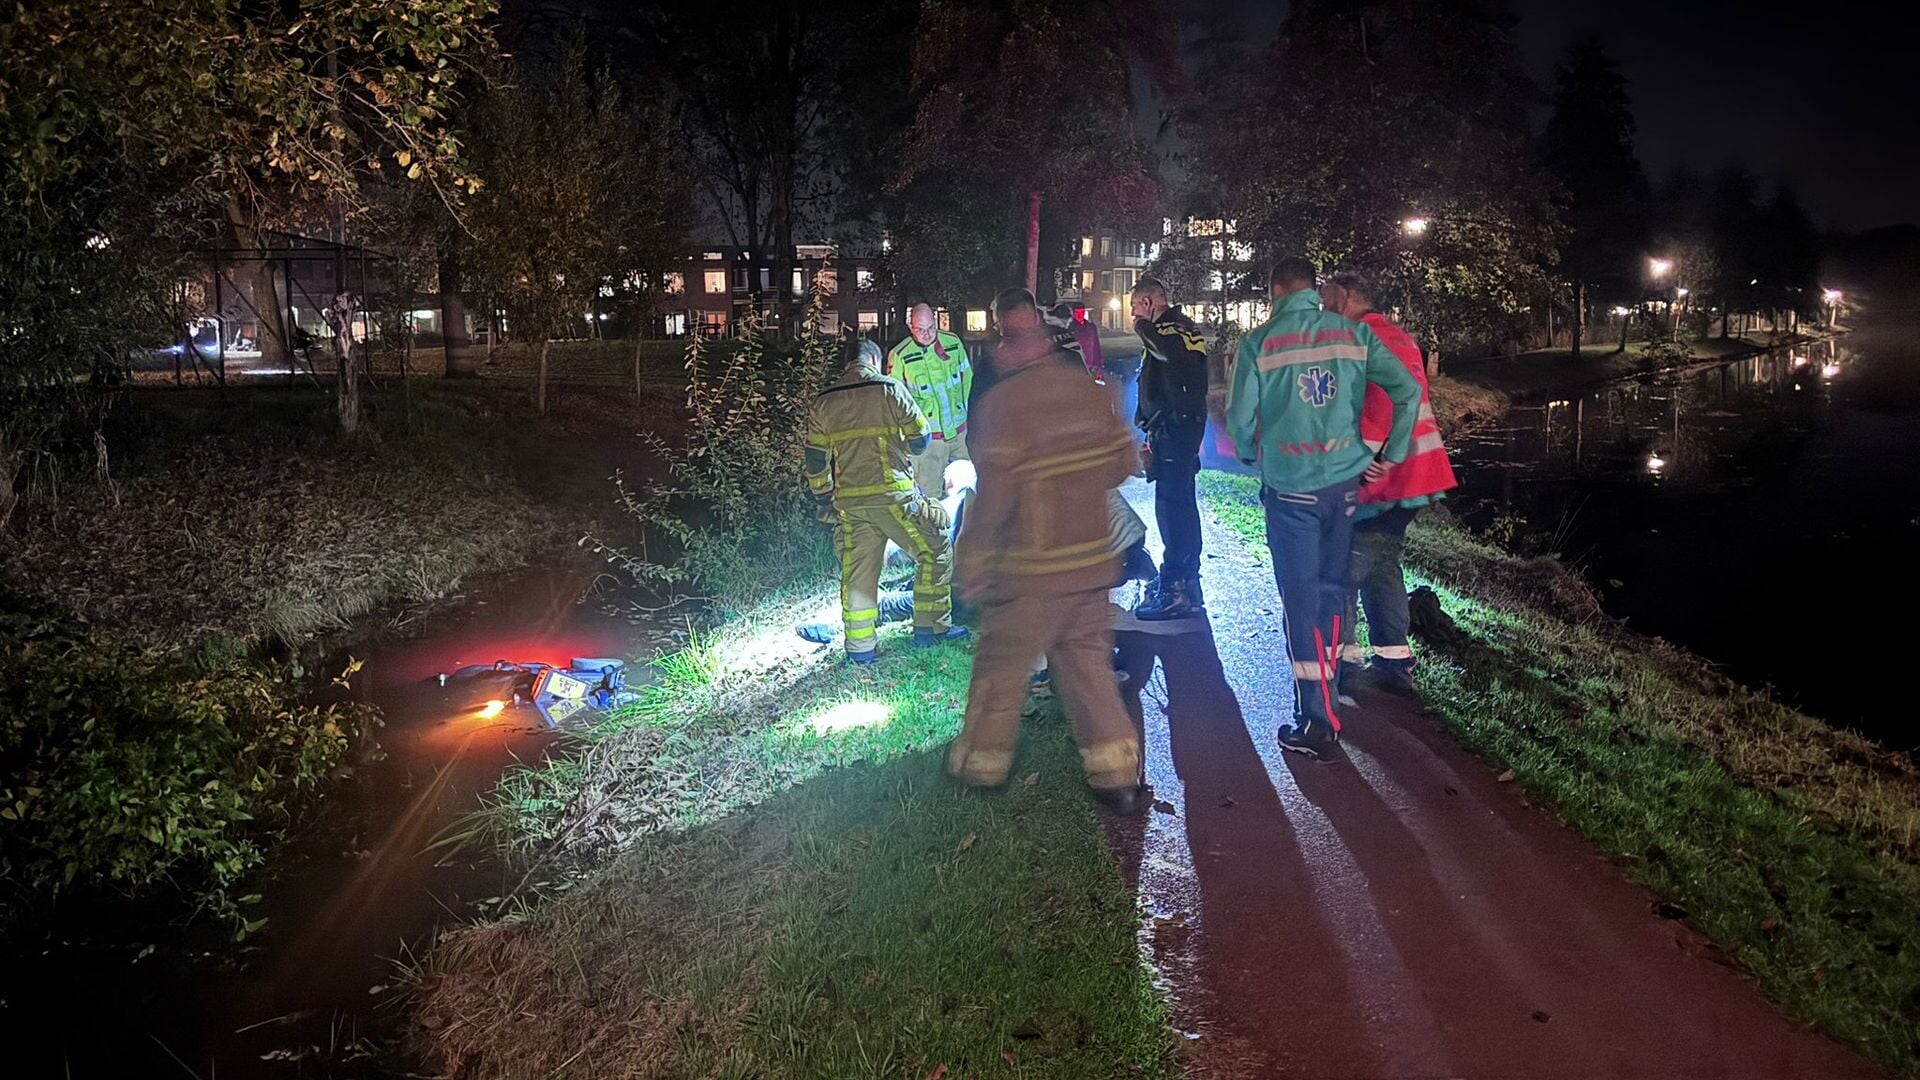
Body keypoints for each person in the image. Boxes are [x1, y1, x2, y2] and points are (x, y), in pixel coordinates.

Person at [950, 287, 1146, 812]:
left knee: (1001, 663)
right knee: (1087, 667)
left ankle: (978, 766)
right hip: (1090, 560)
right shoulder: (1088, 389)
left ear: (1006, 339)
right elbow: (1122, 464)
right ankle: (1118, 777)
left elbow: (993, 498)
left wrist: (970, 561)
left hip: (1031, 570)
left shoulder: (1001, 404)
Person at [1226, 257, 1422, 759]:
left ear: (1275, 291)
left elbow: (1240, 416)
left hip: (1290, 492)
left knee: (1302, 600)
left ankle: (1319, 719)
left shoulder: (1260, 341)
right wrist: (1393, 452)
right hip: (1344, 489)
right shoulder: (1350, 335)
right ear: (1315, 290)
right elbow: (1407, 389)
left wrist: (1251, 451)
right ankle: (1325, 702)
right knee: (1332, 592)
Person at [1320, 271, 1458, 700]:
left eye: (1325, 298)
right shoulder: (1397, 336)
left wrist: (1359, 464)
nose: (1321, 307)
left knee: (1341, 569)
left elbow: (1378, 409)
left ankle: (1340, 666)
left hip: (1385, 481)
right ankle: (1394, 664)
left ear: (1344, 295)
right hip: (1414, 477)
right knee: (1380, 565)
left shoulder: (1362, 337)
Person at [805, 338, 967, 663]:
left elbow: (815, 460)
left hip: (850, 503)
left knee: (858, 574)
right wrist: (901, 450)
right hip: (895, 495)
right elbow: (921, 438)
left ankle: (861, 650)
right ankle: (931, 629)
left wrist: (824, 496)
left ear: (846, 365)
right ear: (875, 360)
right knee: (934, 550)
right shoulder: (889, 389)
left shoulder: (824, 401)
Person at [1129, 277, 1210, 620]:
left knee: (1172, 509)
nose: (1132, 315)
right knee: (1178, 505)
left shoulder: (1173, 330)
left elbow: (1172, 359)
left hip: (1176, 431)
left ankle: (1176, 589)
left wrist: (1143, 327)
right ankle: (1186, 583)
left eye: (1135, 306)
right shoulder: (1173, 330)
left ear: (1148, 303)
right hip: (1172, 429)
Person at [885, 303, 974, 498]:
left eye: (931, 328)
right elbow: (894, 403)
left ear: (936, 321)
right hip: (928, 441)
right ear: (911, 327)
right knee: (930, 497)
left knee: (969, 494)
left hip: (960, 434)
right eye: (921, 330)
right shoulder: (900, 355)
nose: (927, 334)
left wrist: (971, 418)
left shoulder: (953, 343)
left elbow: (967, 380)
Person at [1049, 301, 1106, 381]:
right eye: (1077, 312)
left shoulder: (1090, 327)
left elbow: (1096, 349)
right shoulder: (1068, 328)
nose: (1080, 315)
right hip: (1075, 368)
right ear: (1073, 313)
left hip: (1090, 368)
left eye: (1082, 312)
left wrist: (1099, 368)